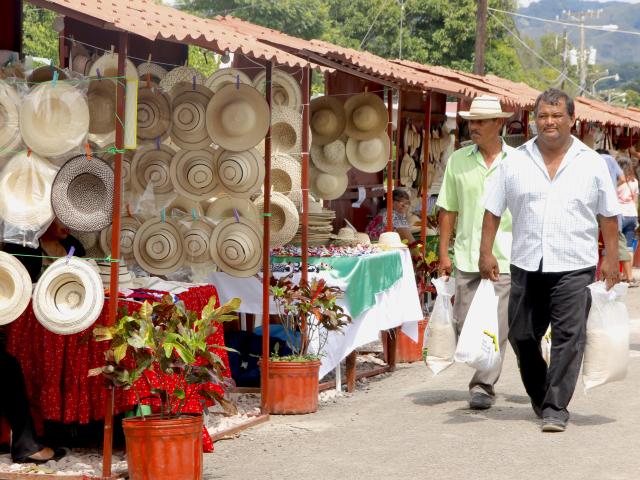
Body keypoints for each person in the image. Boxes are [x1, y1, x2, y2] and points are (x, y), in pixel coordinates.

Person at [480, 88, 620, 433]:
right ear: (534, 120)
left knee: (568, 337)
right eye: (543, 116)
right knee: (522, 335)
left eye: (557, 115)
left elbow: (608, 216)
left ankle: (556, 407)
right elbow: (492, 210)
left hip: (575, 264)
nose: (549, 122)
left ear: (572, 119)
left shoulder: (592, 164)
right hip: (527, 263)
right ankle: (541, 394)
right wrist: (485, 252)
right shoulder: (514, 161)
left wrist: (612, 258)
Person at [436, 95, 514, 410]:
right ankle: (488, 368)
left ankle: (482, 385)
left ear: (499, 124)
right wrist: (443, 253)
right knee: (463, 320)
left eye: (481, 121)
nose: (474, 127)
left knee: (497, 324)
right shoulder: (458, 160)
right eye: (472, 121)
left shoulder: (518, 161)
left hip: (506, 257)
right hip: (467, 256)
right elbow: (448, 209)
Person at [596, 149, 636, 286]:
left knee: (609, 242)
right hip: (627, 213)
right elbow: (622, 179)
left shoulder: (597, 158)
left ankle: (618, 276)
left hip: (606, 210)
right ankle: (628, 276)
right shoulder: (633, 181)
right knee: (624, 244)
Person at [616, 156, 638, 251]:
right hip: (632, 215)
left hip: (619, 215)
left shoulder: (616, 181)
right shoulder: (634, 181)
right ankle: (628, 266)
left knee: (615, 246)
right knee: (628, 247)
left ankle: (616, 266)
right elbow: (635, 201)